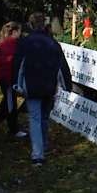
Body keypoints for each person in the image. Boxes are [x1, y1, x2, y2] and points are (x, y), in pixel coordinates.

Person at [13, 12, 72, 167]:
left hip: (32, 86)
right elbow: (62, 67)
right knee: (44, 117)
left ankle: (38, 155)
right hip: (49, 87)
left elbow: (18, 64)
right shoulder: (53, 44)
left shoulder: (25, 43)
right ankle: (44, 145)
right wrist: (67, 85)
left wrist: (15, 84)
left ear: (31, 25)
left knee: (35, 118)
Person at [0, 22, 27, 139]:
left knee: (7, 102)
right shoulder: (12, 44)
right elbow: (10, 63)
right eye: (19, 31)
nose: (20, 34)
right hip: (9, 79)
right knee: (10, 104)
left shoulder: (5, 43)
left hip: (6, 78)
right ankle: (13, 129)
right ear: (14, 32)